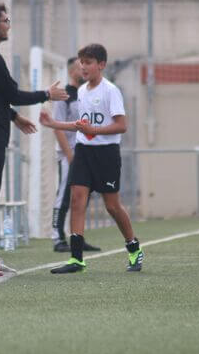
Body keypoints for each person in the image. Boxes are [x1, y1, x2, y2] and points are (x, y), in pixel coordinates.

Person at [0, 2, 69, 276]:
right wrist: (47, 94)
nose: (9, 24)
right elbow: (13, 94)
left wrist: (13, 117)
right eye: (6, 20)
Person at [39, 43, 144, 274]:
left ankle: (134, 248)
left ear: (101, 65)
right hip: (84, 152)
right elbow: (81, 126)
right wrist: (52, 124)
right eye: (81, 62)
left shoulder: (110, 91)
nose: (83, 67)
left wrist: (95, 131)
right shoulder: (82, 92)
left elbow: (121, 126)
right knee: (77, 199)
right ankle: (76, 259)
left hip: (106, 154)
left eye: (88, 62)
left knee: (112, 206)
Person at [50, 57, 101, 253]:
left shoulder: (86, 94)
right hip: (68, 155)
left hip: (87, 153)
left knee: (82, 198)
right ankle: (57, 238)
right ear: (73, 71)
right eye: (82, 68)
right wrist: (69, 154)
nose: (86, 71)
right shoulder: (65, 95)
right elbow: (58, 128)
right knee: (63, 196)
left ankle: (77, 237)